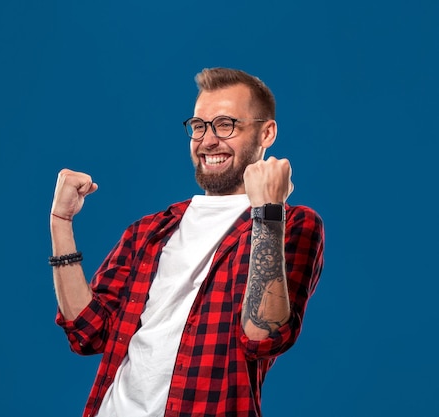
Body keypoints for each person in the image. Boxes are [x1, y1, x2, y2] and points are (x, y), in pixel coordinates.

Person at [48, 67, 325, 417]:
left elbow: (262, 337)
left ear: (266, 132)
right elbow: (87, 332)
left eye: (226, 125)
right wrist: (61, 223)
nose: (209, 140)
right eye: (199, 127)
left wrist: (268, 210)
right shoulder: (150, 231)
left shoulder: (293, 223)